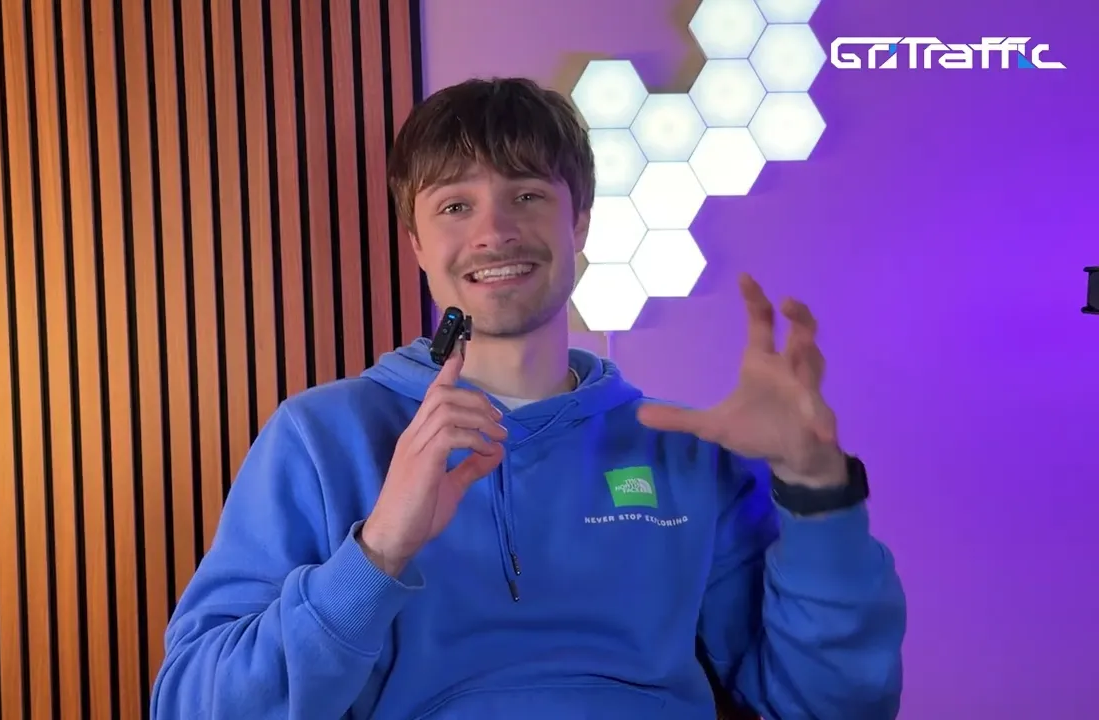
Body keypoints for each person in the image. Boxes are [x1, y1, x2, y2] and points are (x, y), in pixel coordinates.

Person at [149, 76, 906, 719]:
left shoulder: (683, 454)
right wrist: (376, 552)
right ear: (416, 244)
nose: (496, 231)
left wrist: (818, 492)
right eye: (455, 206)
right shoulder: (321, 436)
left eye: (527, 195)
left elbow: (830, 705)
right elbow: (194, 704)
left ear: (580, 223)